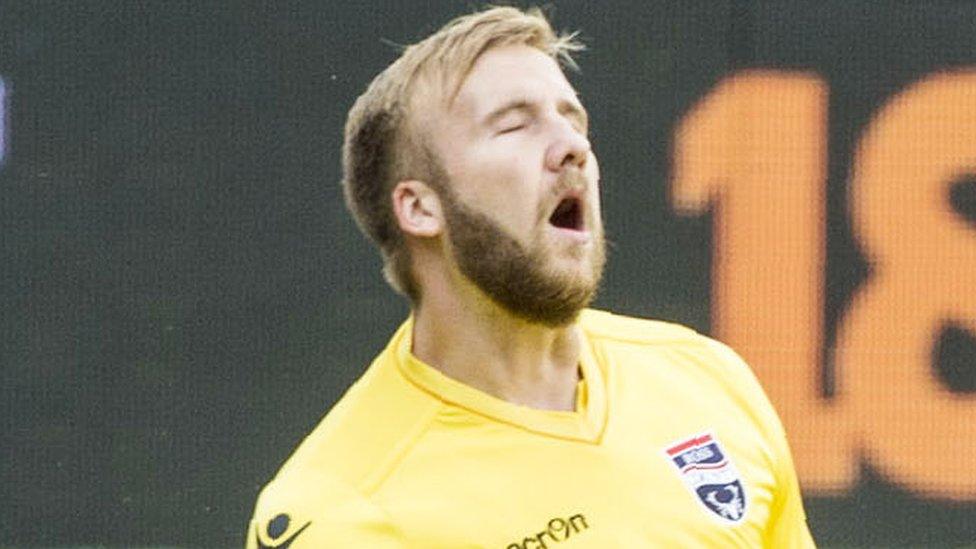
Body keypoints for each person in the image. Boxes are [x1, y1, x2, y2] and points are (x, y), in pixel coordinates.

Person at [247, 6, 816, 548]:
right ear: (420, 208)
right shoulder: (344, 513)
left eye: (574, 121)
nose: (572, 148)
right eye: (514, 126)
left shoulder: (707, 379)